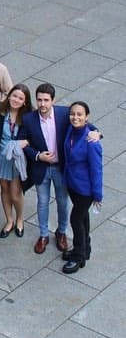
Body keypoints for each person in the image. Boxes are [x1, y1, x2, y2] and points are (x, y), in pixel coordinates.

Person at [19, 83, 100, 255]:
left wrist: (97, 133)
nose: (42, 104)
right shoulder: (28, 119)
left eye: (46, 100)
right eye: (39, 100)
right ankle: (43, 235)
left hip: (61, 169)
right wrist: (37, 155)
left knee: (63, 202)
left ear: (53, 100)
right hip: (41, 167)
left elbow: (87, 126)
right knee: (42, 202)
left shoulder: (64, 114)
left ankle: (61, 232)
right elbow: (22, 142)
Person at [61, 101, 103, 274]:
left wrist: (98, 195)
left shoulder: (91, 141)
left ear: (87, 117)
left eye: (79, 114)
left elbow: (97, 169)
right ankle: (85, 247)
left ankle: (78, 256)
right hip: (72, 184)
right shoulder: (71, 129)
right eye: (73, 114)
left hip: (85, 189)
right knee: (82, 216)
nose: (75, 117)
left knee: (76, 219)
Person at [0, 83, 32, 239]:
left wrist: (27, 142)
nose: (16, 100)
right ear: (9, 96)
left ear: (25, 102)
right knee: (4, 189)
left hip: (17, 159)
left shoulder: (29, 117)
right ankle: (9, 220)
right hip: (2, 156)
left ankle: (20, 219)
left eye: (20, 98)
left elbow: (35, 137)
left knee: (15, 194)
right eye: (14, 96)